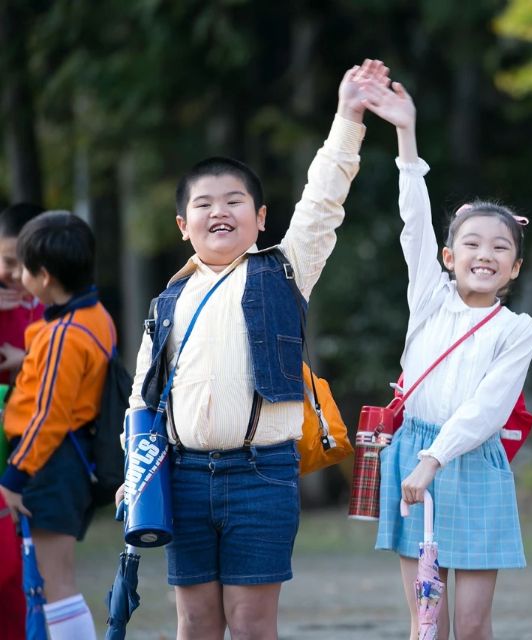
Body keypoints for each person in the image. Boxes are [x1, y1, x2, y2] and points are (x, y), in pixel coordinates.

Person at [121, 59, 384, 640]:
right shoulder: (167, 301)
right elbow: (142, 399)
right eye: (204, 204)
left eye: (234, 201)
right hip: (182, 476)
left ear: (261, 218)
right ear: (182, 225)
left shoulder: (285, 270)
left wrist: (349, 115)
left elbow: (323, 200)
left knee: (252, 624)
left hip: (262, 474)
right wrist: (134, 473)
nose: (219, 211)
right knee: (195, 623)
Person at [361, 77, 532, 640]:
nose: (485, 254)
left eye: (500, 247)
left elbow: (489, 408)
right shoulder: (429, 298)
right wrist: (406, 134)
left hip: (473, 460)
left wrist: (434, 460)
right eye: (472, 243)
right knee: (425, 621)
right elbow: (413, 220)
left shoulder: (517, 330)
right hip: (410, 450)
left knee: (473, 624)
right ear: (447, 255)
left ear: (514, 268)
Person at [0, 210, 115, 640]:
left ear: (44, 277)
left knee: (55, 585)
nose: (17, 277)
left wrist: (15, 476)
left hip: (50, 463)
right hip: (66, 459)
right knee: (54, 581)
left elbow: (48, 414)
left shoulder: (63, 334)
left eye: (23, 269)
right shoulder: (95, 316)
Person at [0, 202, 44, 640]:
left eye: (20, 262)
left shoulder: (52, 304)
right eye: (5, 260)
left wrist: (25, 358)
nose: (11, 273)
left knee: (25, 580)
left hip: (33, 457)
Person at [0, 203, 45, 384]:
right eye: (9, 262)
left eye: (27, 264)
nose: (17, 274)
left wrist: (26, 359)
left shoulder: (57, 306)